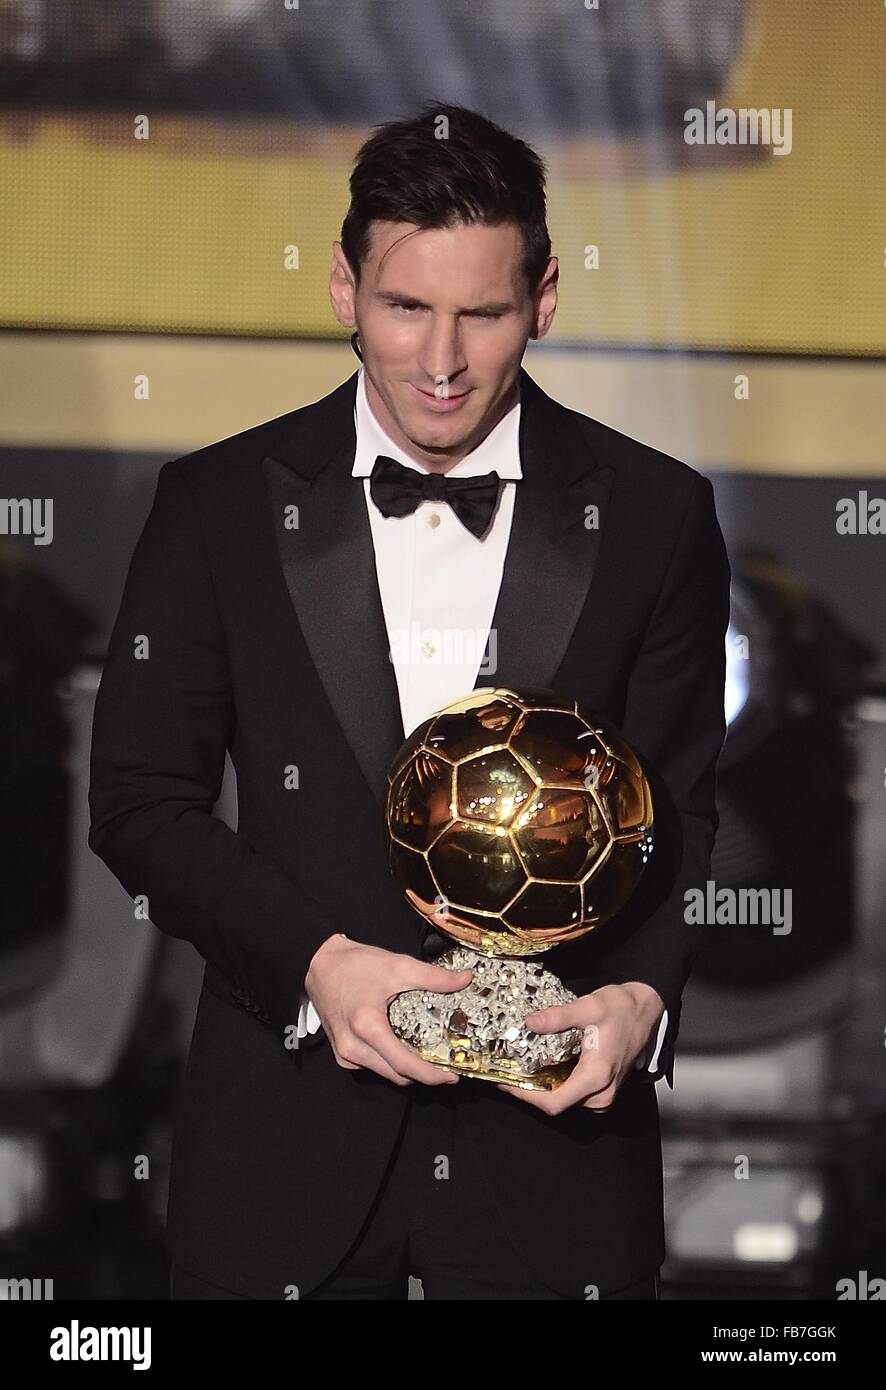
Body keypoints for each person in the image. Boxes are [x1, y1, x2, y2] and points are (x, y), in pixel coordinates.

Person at [88, 102, 731, 1300]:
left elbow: (681, 814)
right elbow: (139, 803)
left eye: (482, 314)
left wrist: (637, 1000)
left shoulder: (657, 516)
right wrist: (314, 964)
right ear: (342, 287)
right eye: (404, 307)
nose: (441, 362)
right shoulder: (215, 507)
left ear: (542, 300)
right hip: (282, 1164)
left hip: (553, 1174)